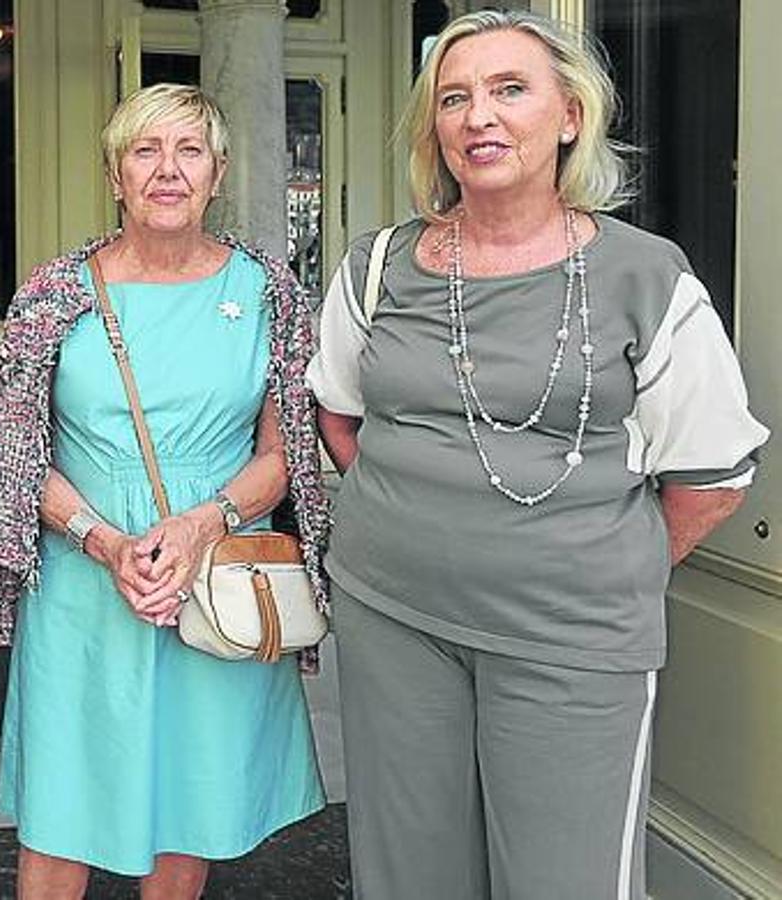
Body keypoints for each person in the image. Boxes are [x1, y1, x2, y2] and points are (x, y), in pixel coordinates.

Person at [307, 11, 768, 898]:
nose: (479, 116)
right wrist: (423, 528)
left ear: (569, 116)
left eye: (509, 90)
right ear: (433, 129)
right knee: (410, 876)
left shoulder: (647, 277)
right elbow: (340, 414)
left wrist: (592, 568)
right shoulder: (378, 267)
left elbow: (712, 477)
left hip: (571, 637)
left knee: (568, 880)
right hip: (393, 617)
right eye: (455, 97)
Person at [0, 83, 331, 898]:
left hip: (216, 574)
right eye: (146, 151)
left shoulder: (269, 291)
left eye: (189, 151)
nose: (168, 171)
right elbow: (17, 456)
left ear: (218, 172)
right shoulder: (56, 292)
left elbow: (287, 454)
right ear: (115, 174)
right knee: (63, 808)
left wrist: (205, 522)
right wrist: (105, 542)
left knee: (188, 801)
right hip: (84, 583)